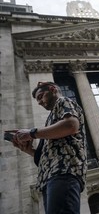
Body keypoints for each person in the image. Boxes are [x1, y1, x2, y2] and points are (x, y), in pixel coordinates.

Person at [12, 81, 87, 214]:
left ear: (52, 89)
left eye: (41, 96)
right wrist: (27, 149)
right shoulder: (50, 119)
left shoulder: (63, 101)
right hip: (50, 177)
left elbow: (71, 125)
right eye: (37, 100)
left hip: (64, 171)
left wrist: (31, 133)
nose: (40, 102)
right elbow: (48, 155)